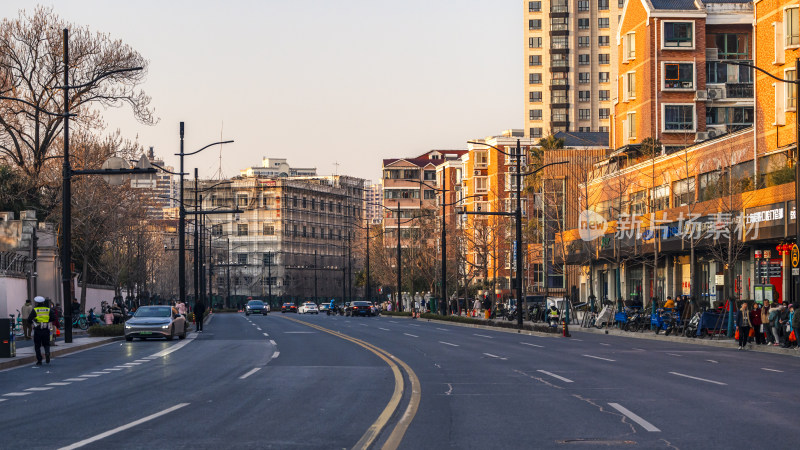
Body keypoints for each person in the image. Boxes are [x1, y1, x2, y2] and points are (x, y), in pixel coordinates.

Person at [27, 296, 54, 365]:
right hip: (46, 329)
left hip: (38, 329)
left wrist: (34, 321)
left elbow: (29, 319)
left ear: (36, 303)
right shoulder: (48, 310)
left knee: (37, 345)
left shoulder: (35, 310)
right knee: (46, 344)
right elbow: (53, 318)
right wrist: (47, 321)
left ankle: (39, 360)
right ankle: (47, 353)